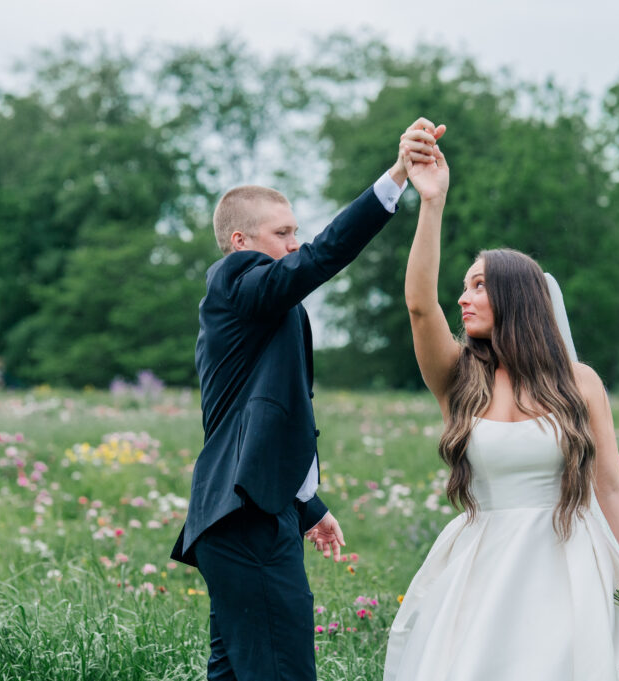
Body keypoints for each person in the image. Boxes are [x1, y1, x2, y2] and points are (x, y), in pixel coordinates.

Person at [383, 138, 619, 680]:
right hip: (485, 566)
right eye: (463, 287)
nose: (463, 299)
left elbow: (612, 485)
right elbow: (421, 306)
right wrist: (431, 202)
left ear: (516, 299)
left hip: (573, 566)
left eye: (478, 286)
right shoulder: (458, 379)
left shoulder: (579, 384)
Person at [171, 118, 446, 681]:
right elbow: (321, 257)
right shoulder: (236, 281)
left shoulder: (263, 308)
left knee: (235, 673)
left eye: (296, 230)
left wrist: (307, 504)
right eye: (282, 233)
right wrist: (395, 177)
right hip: (245, 521)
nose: (295, 243)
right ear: (240, 243)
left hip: (245, 514)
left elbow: (259, 415)